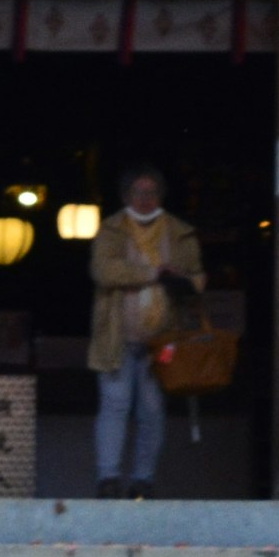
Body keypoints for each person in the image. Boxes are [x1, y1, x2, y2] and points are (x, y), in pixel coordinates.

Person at [87, 166, 202, 497]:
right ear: (126, 196)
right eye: (139, 192)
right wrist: (154, 273)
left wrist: (181, 279)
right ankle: (108, 478)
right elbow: (104, 270)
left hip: (163, 338)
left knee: (152, 409)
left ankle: (143, 480)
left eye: (152, 192)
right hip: (117, 334)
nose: (146, 198)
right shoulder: (111, 229)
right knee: (115, 404)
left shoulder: (179, 232)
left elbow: (198, 278)